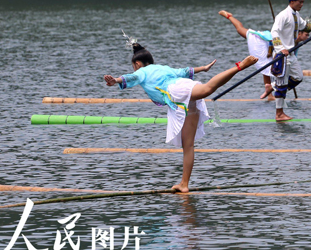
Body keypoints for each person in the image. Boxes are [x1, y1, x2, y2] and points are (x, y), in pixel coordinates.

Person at [103, 42, 257, 192]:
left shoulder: (141, 71)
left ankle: (239, 66)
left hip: (176, 91)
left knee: (207, 89)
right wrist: (203, 68)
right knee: (188, 144)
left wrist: (115, 80)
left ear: (137, 63)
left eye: (133, 66)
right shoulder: (163, 68)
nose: (134, 69)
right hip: (182, 92)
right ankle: (184, 184)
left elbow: (129, 78)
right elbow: (184, 71)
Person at [218, 10, 311, 100]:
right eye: (306, 34)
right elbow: (276, 38)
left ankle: (270, 91)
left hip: (274, 49)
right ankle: (228, 16)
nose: (308, 37)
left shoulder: (297, 42)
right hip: (264, 42)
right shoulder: (289, 37)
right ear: (299, 33)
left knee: (272, 66)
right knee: (241, 30)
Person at [270, 0, 311, 121]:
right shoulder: (283, 15)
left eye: (303, 2)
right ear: (293, 1)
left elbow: (305, 26)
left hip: (290, 54)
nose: (302, 4)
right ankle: (279, 113)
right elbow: (274, 32)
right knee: (282, 83)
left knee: (298, 77)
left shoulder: (295, 15)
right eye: (300, 2)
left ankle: (277, 89)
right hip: (282, 55)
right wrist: (280, 48)